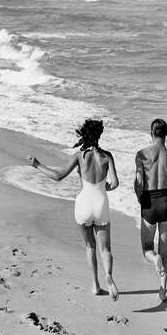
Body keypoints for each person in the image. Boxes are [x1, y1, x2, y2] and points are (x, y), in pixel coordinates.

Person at [26, 119, 120, 301]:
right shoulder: (107, 156)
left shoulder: (79, 156)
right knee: (105, 248)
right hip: (101, 204)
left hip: (84, 204)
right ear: (99, 135)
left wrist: (37, 164)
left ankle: (95, 285)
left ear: (84, 135)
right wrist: (103, 188)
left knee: (89, 246)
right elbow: (115, 183)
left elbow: (58, 176)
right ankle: (108, 275)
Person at [134, 118, 167, 302]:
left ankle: (154, 259)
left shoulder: (142, 155)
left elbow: (139, 182)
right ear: (166, 134)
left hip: (149, 202)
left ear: (151, 133)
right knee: (164, 252)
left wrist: (139, 196)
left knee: (147, 249)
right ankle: (163, 290)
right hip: (166, 202)